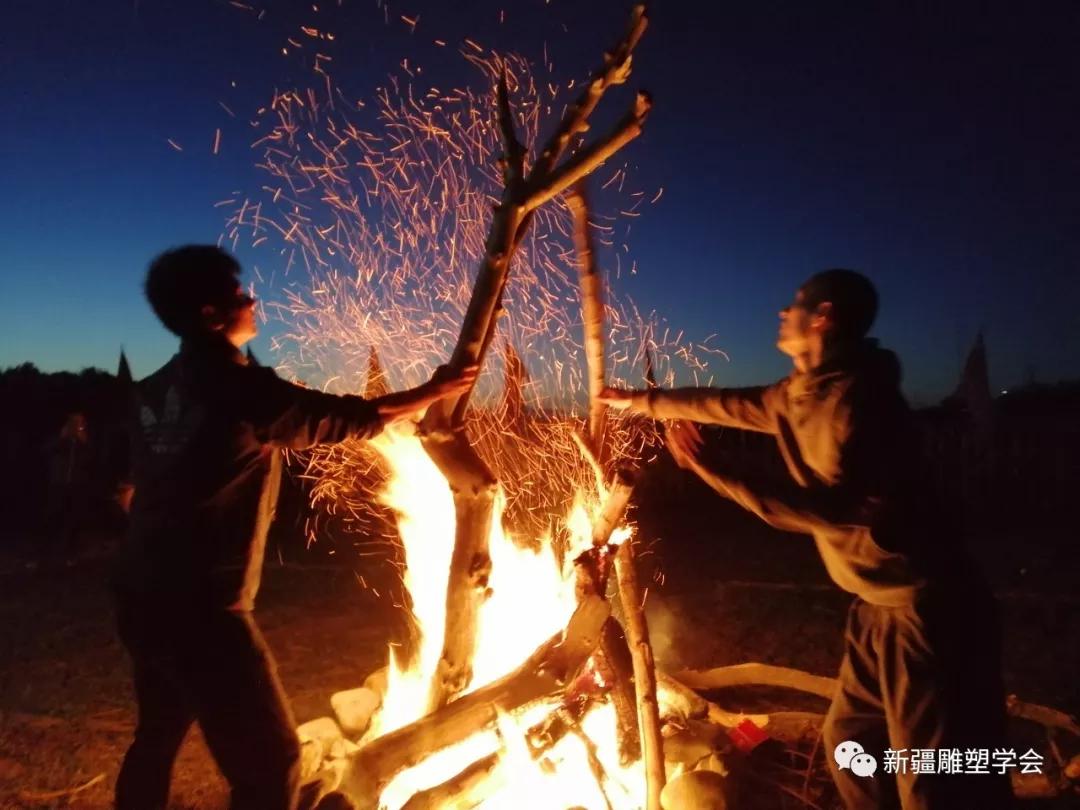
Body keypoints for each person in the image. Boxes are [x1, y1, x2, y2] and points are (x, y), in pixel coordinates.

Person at [600, 269, 1012, 810]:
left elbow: (833, 510)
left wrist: (712, 469)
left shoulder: (864, 403)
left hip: (923, 607)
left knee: (929, 773)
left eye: (796, 305)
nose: (782, 313)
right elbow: (721, 403)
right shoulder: (796, 395)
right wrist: (636, 402)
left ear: (823, 319)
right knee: (851, 745)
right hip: (873, 607)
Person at [112, 245, 477, 810]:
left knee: (155, 739)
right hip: (204, 610)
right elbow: (343, 418)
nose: (251, 300)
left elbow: (131, 485)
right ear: (211, 315)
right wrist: (433, 392)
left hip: (141, 591)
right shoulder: (235, 385)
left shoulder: (153, 390)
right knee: (271, 767)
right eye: (238, 295)